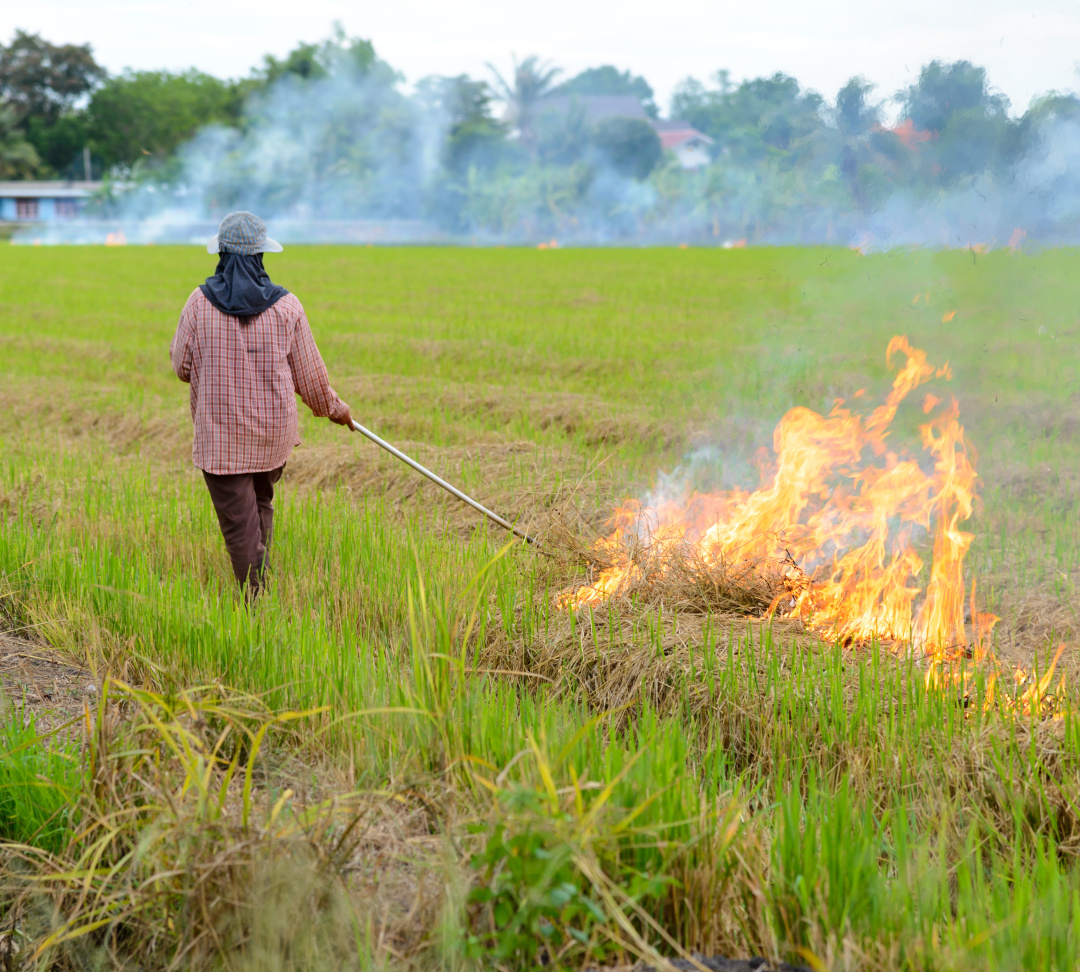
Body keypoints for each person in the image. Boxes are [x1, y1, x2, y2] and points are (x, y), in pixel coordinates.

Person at [170, 211, 353, 597]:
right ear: (259, 257)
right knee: (259, 501)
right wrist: (337, 410)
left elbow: (181, 366)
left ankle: (255, 600)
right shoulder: (287, 307)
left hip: (222, 437)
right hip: (273, 435)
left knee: (239, 523)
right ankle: (261, 578)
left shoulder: (198, 303)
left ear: (220, 255)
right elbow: (312, 378)